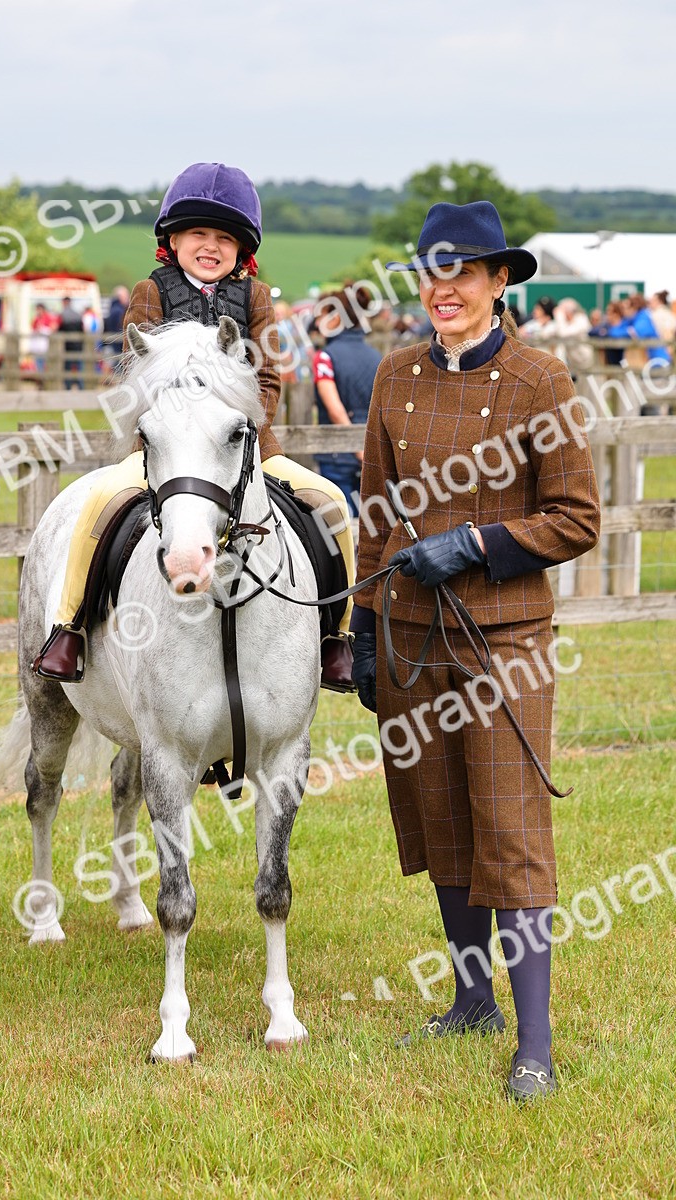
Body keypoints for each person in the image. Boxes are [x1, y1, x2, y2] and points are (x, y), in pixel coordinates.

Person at [351, 201, 601, 1100]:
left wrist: (478, 544)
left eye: (463, 273)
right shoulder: (396, 374)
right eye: (432, 272)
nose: (443, 288)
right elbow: (377, 513)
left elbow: (577, 518)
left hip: (504, 643)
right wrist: (365, 628)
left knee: (509, 828)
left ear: (500, 283)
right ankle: (471, 1000)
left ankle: (533, 1042)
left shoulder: (541, 380)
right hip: (414, 641)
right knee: (441, 819)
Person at [33, 162, 356, 691]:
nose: (210, 246)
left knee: (331, 503)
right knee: (97, 506)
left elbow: (269, 376)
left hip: (245, 447)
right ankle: (69, 629)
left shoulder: (255, 297)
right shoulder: (150, 291)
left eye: (224, 237)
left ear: (241, 248)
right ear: (174, 239)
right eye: (199, 234)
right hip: (163, 450)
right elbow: (140, 375)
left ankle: (336, 638)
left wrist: (243, 432)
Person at [312, 284, 382, 516]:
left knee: (339, 526)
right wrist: (367, 452)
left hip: (337, 455)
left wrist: (354, 447)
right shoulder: (378, 357)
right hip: (371, 453)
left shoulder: (325, 357)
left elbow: (335, 410)